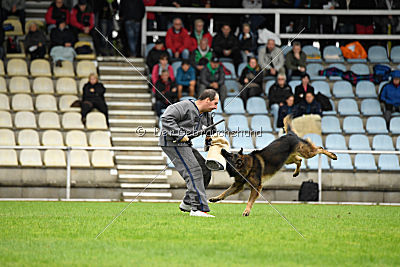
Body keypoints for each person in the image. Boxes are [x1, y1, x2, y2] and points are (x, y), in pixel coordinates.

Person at [159, 89, 219, 217]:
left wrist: (209, 139)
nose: (216, 107)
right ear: (207, 100)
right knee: (194, 171)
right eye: (215, 103)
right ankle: (198, 209)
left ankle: (187, 204)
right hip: (172, 142)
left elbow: (211, 129)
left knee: (205, 170)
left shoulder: (207, 114)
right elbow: (166, 118)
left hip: (185, 144)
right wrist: (179, 134)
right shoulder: (184, 106)